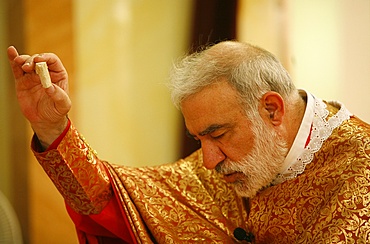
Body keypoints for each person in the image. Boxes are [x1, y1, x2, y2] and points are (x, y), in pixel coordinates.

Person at [7, 41, 370, 243]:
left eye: (218, 134)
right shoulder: (221, 164)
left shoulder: (361, 171)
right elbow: (117, 203)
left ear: (272, 109)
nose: (208, 160)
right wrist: (52, 128)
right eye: (199, 139)